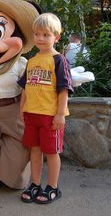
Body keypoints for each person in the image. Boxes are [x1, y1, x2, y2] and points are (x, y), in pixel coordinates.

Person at [17, 13, 74, 204]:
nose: (40, 38)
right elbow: (25, 87)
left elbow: (64, 89)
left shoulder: (59, 60)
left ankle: (52, 187)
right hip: (32, 114)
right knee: (34, 151)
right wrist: (22, 108)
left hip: (50, 116)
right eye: (37, 34)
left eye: (46, 35)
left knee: (51, 152)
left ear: (56, 37)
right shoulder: (31, 61)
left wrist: (60, 114)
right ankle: (35, 184)